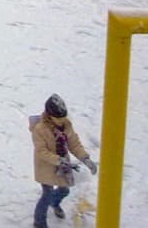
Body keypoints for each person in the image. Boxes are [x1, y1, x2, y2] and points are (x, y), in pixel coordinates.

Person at [30, 94, 97, 227]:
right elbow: (41, 151)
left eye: (63, 118)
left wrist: (85, 158)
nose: (61, 121)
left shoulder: (66, 125)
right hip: (45, 167)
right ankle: (39, 222)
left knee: (64, 190)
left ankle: (54, 203)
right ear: (49, 115)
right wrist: (58, 160)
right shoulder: (40, 129)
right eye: (58, 118)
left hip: (63, 165)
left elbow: (74, 143)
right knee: (47, 193)